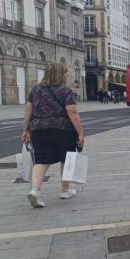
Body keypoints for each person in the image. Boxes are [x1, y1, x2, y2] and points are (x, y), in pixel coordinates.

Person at [21, 63, 85, 208]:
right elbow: (73, 113)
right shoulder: (66, 91)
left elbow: (28, 111)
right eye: (65, 73)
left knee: (42, 161)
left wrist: (25, 129)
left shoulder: (35, 90)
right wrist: (80, 133)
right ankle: (65, 190)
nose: (66, 75)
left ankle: (35, 190)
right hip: (62, 129)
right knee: (66, 158)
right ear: (60, 74)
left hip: (39, 129)